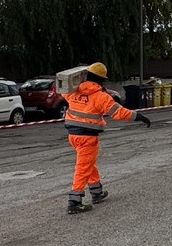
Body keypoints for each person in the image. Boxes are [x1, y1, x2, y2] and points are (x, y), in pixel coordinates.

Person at [61, 62, 151, 215]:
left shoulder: (72, 92)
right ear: (102, 80)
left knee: (87, 163)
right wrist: (139, 117)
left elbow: (62, 87)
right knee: (83, 167)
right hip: (87, 137)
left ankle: (97, 192)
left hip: (73, 136)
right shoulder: (101, 97)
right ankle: (74, 201)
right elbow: (120, 113)